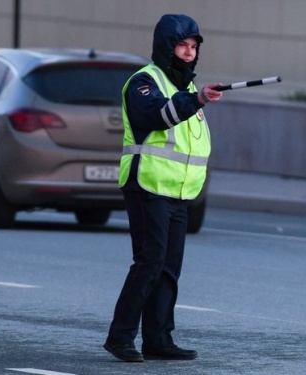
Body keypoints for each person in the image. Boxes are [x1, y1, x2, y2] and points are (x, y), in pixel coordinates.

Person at [103, 14, 223, 362]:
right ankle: (120, 338)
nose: (188, 53)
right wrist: (196, 101)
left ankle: (158, 340)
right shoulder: (144, 82)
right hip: (147, 186)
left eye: (193, 47)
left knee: (169, 269)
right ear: (165, 47)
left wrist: (195, 99)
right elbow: (155, 116)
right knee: (149, 263)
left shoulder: (186, 90)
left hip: (179, 193)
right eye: (182, 46)